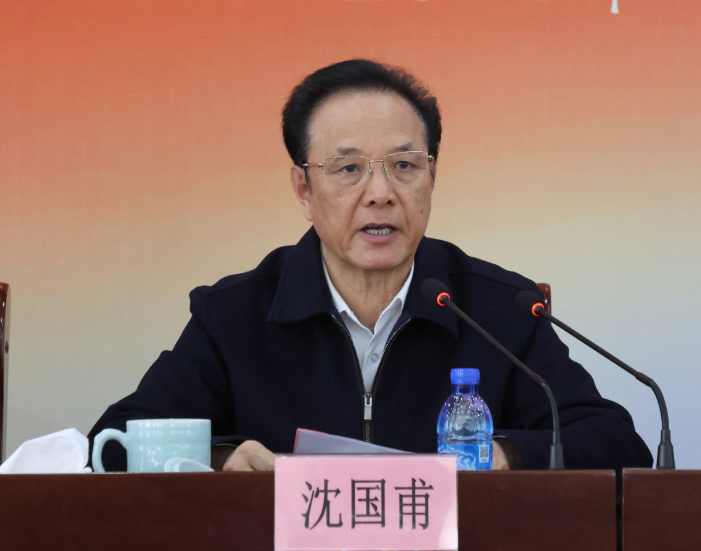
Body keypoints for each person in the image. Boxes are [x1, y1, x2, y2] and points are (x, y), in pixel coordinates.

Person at [88, 59, 652, 473]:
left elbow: (615, 442)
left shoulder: (500, 309)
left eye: (404, 165)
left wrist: (502, 453)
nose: (380, 193)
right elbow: (111, 441)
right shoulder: (234, 315)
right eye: (348, 169)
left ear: (432, 178)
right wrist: (219, 459)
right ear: (304, 189)